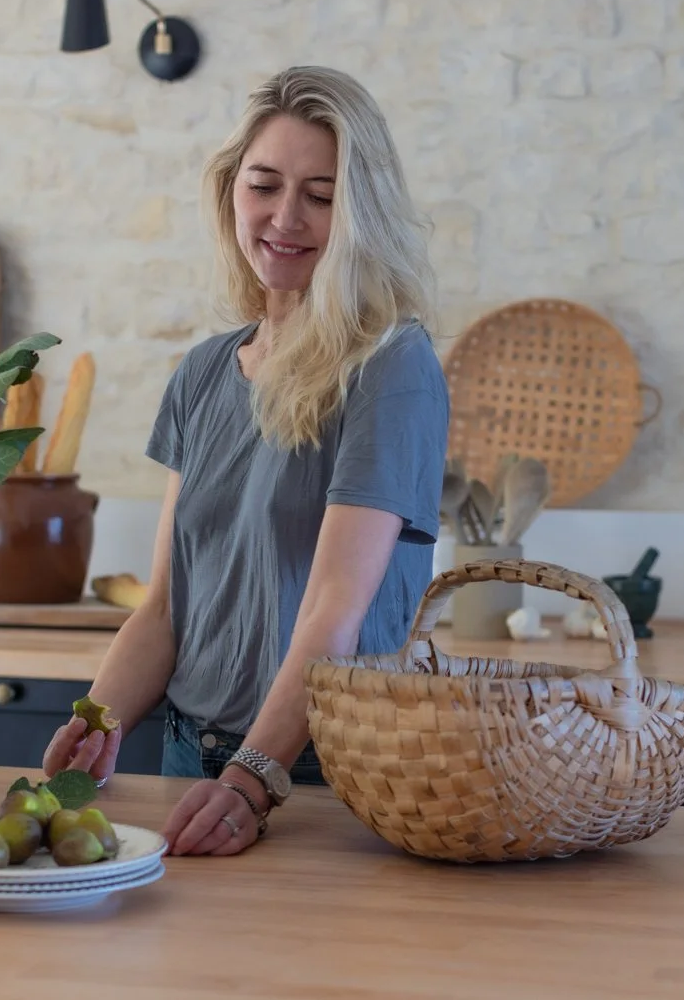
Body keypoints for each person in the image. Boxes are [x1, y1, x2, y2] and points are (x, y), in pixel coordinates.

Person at [41, 65, 448, 857]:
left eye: (322, 197)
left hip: (328, 775)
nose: (285, 217)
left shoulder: (390, 366)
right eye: (264, 185)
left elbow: (335, 611)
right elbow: (165, 609)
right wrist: (94, 724)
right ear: (231, 190)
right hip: (188, 760)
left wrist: (253, 779)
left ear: (362, 213)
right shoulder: (202, 372)